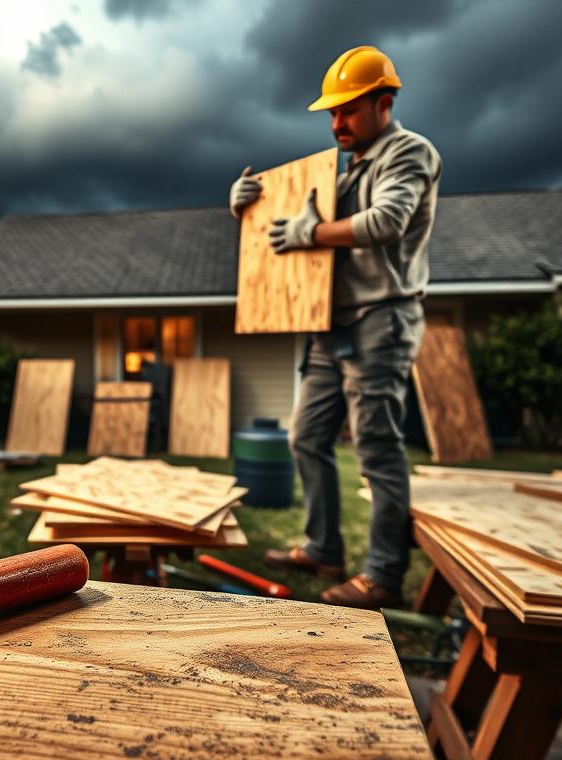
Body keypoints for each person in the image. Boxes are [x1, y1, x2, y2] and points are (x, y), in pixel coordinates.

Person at [229, 45, 441, 609]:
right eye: (332, 113)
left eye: (348, 110)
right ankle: (323, 548)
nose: (336, 122)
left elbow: (386, 221)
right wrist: (245, 207)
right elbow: (289, 222)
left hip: (382, 318)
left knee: (375, 446)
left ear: (384, 103)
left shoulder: (409, 154)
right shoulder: (340, 171)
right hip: (331, 324)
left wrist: (311, 235)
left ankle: (383, 576)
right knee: (306, 437)